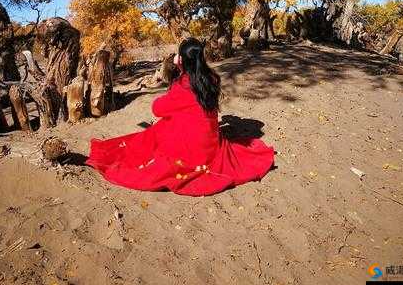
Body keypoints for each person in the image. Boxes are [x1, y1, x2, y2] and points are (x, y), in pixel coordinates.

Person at [86, 37, 274, 196]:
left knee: (159, 128)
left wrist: (175, 73)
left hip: (189, 148)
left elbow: (157, 109)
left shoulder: (182, 86)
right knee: (174, 120)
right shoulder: (213, 79)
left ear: (182, 59)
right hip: (210, 144)